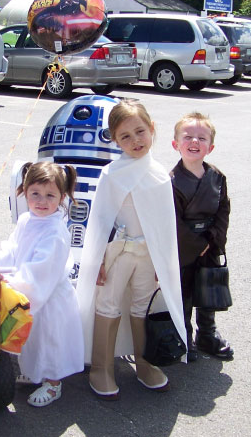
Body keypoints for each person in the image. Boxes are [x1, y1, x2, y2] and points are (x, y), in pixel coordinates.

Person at [76, 99, 186, 400]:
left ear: (152, 129)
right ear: (115, 141)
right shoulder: (112, 174)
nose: (135, 140)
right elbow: (100, 221)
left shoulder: (160, 174)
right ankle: (101, 367)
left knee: (142, 306)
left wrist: (164, 264)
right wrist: (97, 258)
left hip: (149, 255)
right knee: (108, 305)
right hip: (118, 253)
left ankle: (144, 363)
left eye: (140, 131)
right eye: (125, 136)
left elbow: (165, 226)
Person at [0, 162, 84, 407]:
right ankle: (34, 373)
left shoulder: (55, 231)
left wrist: (9, 280)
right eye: (35, 194)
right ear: (24, 192)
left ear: (62, 197)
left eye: (50, 195)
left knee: (49, 341)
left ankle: (53, 383)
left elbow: (41, 270)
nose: (41, 201)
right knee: (33, 339)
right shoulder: (27, 220)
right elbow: (14, 248)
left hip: (50, 299)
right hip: (32, 291)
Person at [171, 112, 233, 361]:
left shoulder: (216, 177)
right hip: (185, 245)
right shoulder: (171, 182)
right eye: (188, 137)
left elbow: (223, 209)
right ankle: (183, 336)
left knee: (209, 289)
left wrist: (214, 239)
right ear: (176, 144)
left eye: (201, 138)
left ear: (211, 146)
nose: (194, 141)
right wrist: (195, 246)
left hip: (210, 240)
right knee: (184, 293)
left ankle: (207, 333)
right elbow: (171, 220)